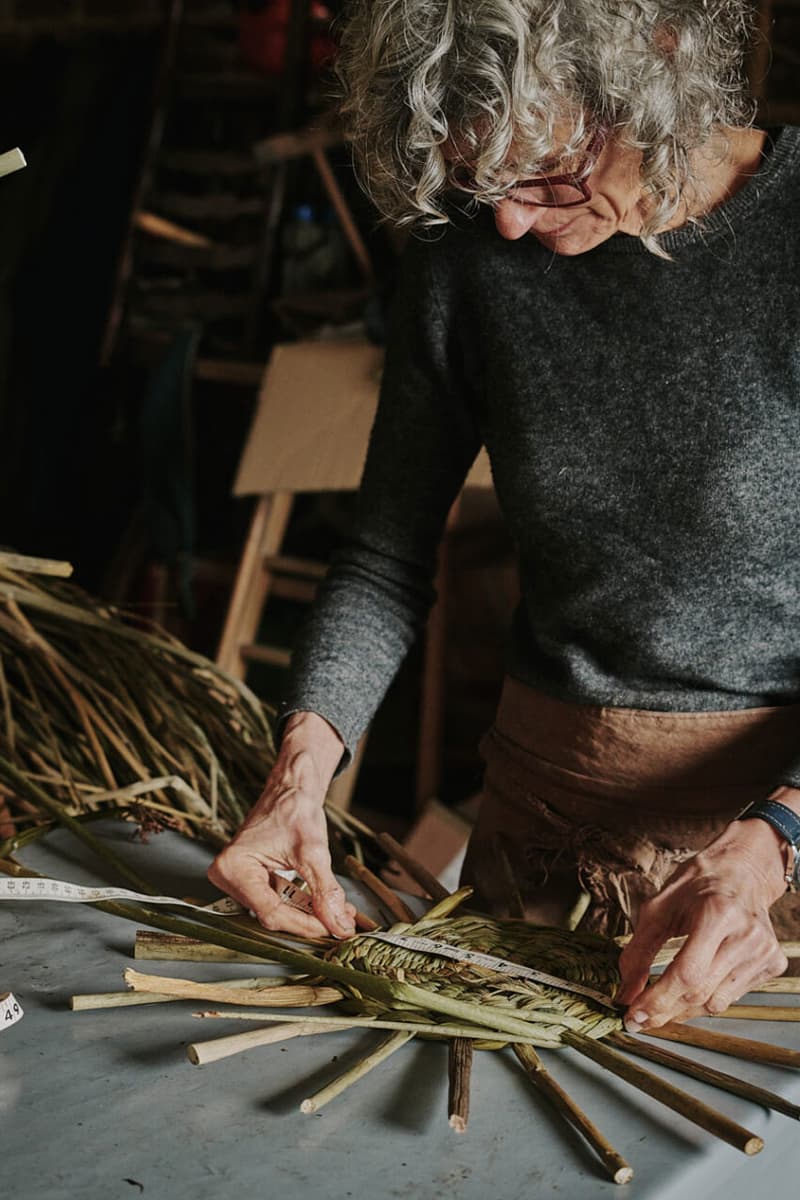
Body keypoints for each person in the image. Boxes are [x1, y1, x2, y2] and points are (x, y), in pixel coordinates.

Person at [210, 0, 800, 1034]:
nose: (512, 223)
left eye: (545, 174)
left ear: (652, 72)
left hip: (770, 858)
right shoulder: (469, 251)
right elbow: (385, 557)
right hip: (543, 828)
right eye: (479, 182)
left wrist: (774, 841)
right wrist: (298, 780)